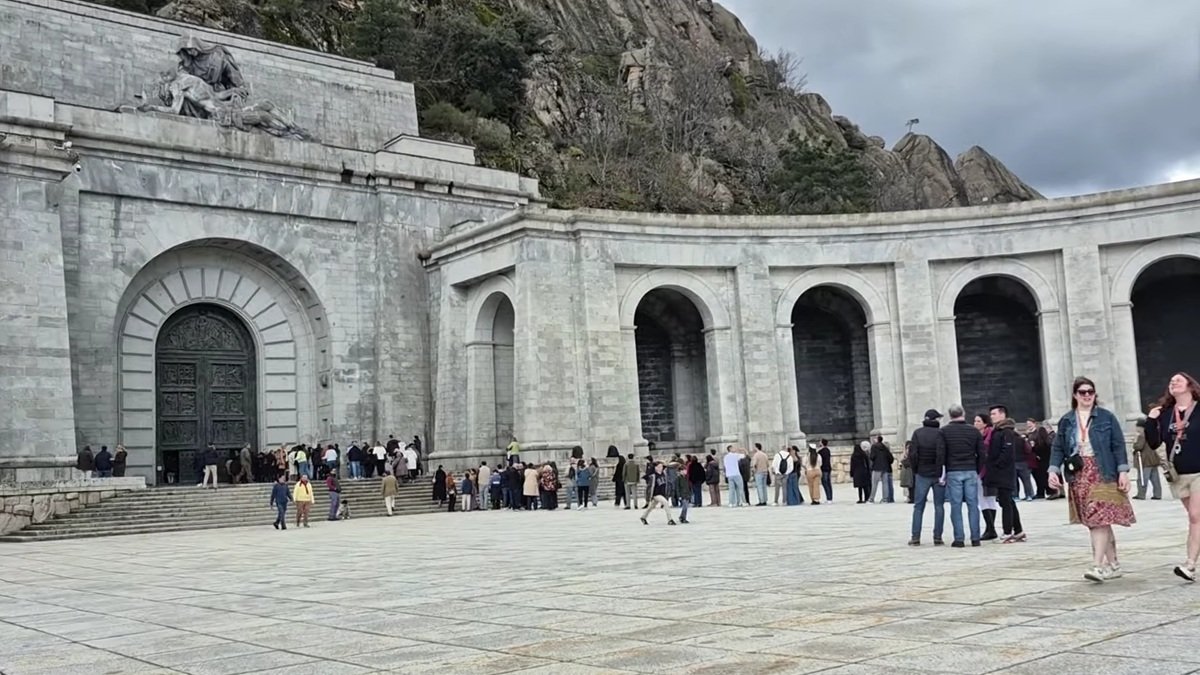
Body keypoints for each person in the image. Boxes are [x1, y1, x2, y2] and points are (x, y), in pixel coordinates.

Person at [1048, 376, 1134, 582]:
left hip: (1103, 470)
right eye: (1082, 392)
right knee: (1096, 521)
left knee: (1099, 518)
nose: (1087, 395)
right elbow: (1058, 447)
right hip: (1079, 473)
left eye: (1090, 392)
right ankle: (1114, 564)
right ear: (1075, 395)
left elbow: (1118, 445)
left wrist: (1123, 471)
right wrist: (1053, 470)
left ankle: (1097, 565)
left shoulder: (1106, 417)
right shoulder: (1068, 420)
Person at [1143, 372, 1200, 582]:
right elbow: (1154, 442)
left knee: (1195, 516)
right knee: (1195, 520)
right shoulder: (1166, 413)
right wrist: (1151, 420)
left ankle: (1190, 564)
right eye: (1171, 382)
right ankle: (1191, 561)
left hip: (1199, 472)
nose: (1173, 383)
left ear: (1190, 386)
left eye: (1178, 380)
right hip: (1179, 474)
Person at [941, 404, 984, 547]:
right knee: (973, 504)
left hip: (953, 470)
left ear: (950, 415)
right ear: (963, 413)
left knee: (956, 505)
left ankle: (959, 539)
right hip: (970, 469)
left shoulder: (944, 431)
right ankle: (975, 538)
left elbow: (941, 453)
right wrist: (977, 469)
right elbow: (981, 453)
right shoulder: (974, 431)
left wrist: (943, 471)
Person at [987, 405, 1026, 543]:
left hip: (1004, 472)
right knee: (1008, 501)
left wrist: (997, 464)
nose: (991, 416)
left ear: (1002, 414)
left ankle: (1007, 531)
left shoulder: (1007, 431)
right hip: (1000, 472)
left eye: (994, 414)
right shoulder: (998, 431)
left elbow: (1007, 452)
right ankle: (1019, 530)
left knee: (1006, 502)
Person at [909, 409, 947, 546]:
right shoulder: (940, 433)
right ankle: (937, 537)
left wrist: (916, 470)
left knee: (918, 506)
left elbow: (913, 454)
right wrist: (941, 470)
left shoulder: (917, 433)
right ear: (935, 420)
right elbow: (942, 454)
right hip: (937, 474)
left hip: (922, 473)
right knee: (939, 506)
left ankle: (915, 537)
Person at [1132, 418, 1163, 500]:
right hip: (1153, 458)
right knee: (1155, 479)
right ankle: (1158, 494)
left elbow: (1139, 446)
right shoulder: (1151, 434)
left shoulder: (1142, 435)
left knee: (1142, 478)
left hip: (1145, 460)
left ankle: (1141, 494)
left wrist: (1135, 443)